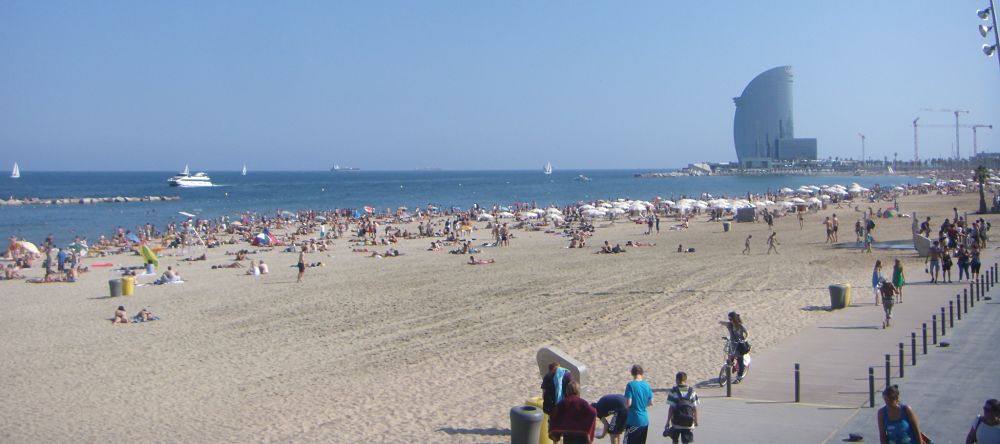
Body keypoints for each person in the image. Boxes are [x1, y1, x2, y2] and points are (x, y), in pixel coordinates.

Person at [662, 371, 699, 444]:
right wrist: (696, 421)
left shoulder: (674, 391)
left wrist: (667, 422)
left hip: (676, 423)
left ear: (677, 380)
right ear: (686, 380)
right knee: (686, 442)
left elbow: (671, 408)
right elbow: (695, 408)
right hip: (688, 423)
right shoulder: (691, 391)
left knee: (675, 440)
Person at [623, 364, 653, 444]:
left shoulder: (630, 385)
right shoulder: (647, 385)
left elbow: (628, 403)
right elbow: (651, 402)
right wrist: (642, 405)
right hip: (644, 420)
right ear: (642, 373)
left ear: (632, 374)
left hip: (634, 420)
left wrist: (624, 409)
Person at [719, 312, 749, 381]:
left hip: (739, 346)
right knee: (729, 360)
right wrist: (721, 322)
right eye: (729, 318)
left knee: (740, 362)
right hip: (732, 345)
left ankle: (739, 377)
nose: (729, 320)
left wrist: (745, 340)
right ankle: (730, 371)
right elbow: (724, 322)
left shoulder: (740, 326)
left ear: (734, 319)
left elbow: (747, 333)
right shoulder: (730, 324)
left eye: (730, 318)